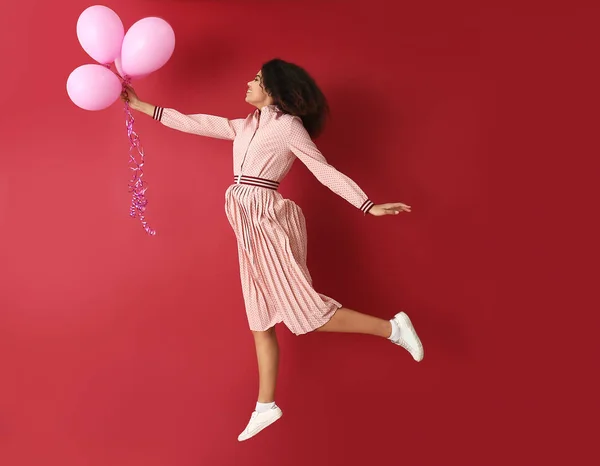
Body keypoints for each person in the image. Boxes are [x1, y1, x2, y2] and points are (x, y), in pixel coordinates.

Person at [121, 58, 424, 442]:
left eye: (257, 79)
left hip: (268, 221)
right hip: (247, 227)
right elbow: (195, 122)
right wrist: (141, 105)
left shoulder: (288, 128)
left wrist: (368, 204)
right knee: (259, 316)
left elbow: (322, 169)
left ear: (274, 89)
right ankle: (266, 405)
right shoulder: (246, 125)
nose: (248, 83)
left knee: (306, 312)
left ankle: (393, 327)